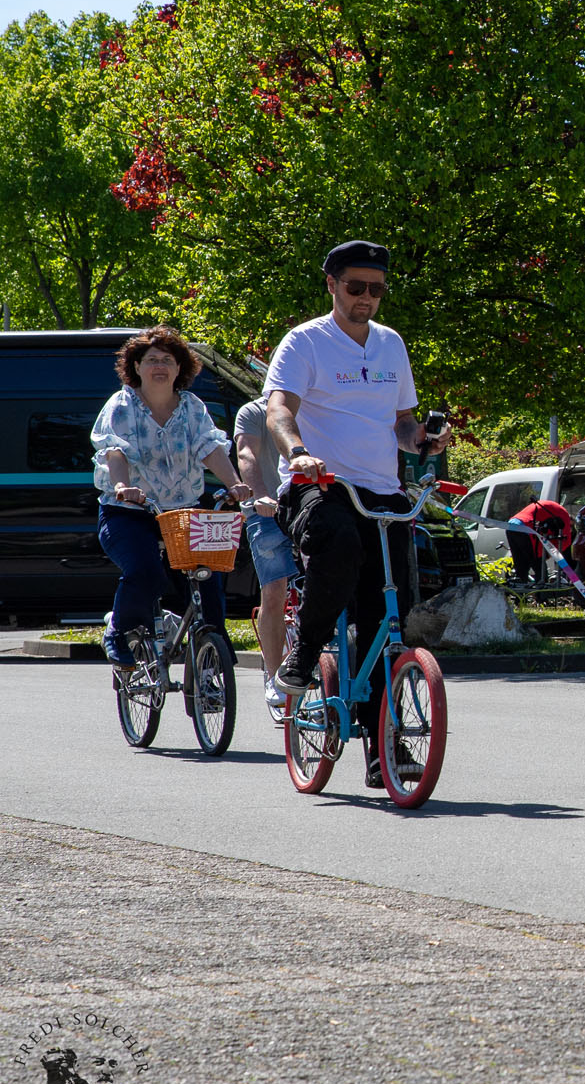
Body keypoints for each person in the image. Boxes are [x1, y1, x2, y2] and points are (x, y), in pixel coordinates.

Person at [264, 239, 450, 786]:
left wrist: (422, 437)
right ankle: (302, 652)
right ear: (332, 285)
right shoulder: (306, 342)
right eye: (355, 288)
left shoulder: (392, 345)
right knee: (337, 547)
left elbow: (401, 423)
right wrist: (298, 452)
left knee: (390, 612)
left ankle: (382, 751)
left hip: (382, 490)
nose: (366, 298)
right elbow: (278, 408)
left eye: (376, 289)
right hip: (319, 484)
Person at [92, 325, 250, 668]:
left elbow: (210, 447)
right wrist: (122, 486)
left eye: (168, 359)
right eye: (151, 360)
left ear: (180, 368)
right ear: (137, 367)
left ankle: (212, 650)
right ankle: (119, 633)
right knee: (147, 572)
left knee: (207, 577)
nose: (159, 366)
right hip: (128, 513)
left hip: (182, 512)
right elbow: (114, 451)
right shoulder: (122, 405)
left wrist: (235, 483)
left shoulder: (192, 407)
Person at [234, 393, 301, 718]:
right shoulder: (253, 412)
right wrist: (259, 494)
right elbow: (246, 452)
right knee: (275, 591)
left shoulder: (320, 407)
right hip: (267, 511)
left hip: (309, 508)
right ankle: (274, 677)